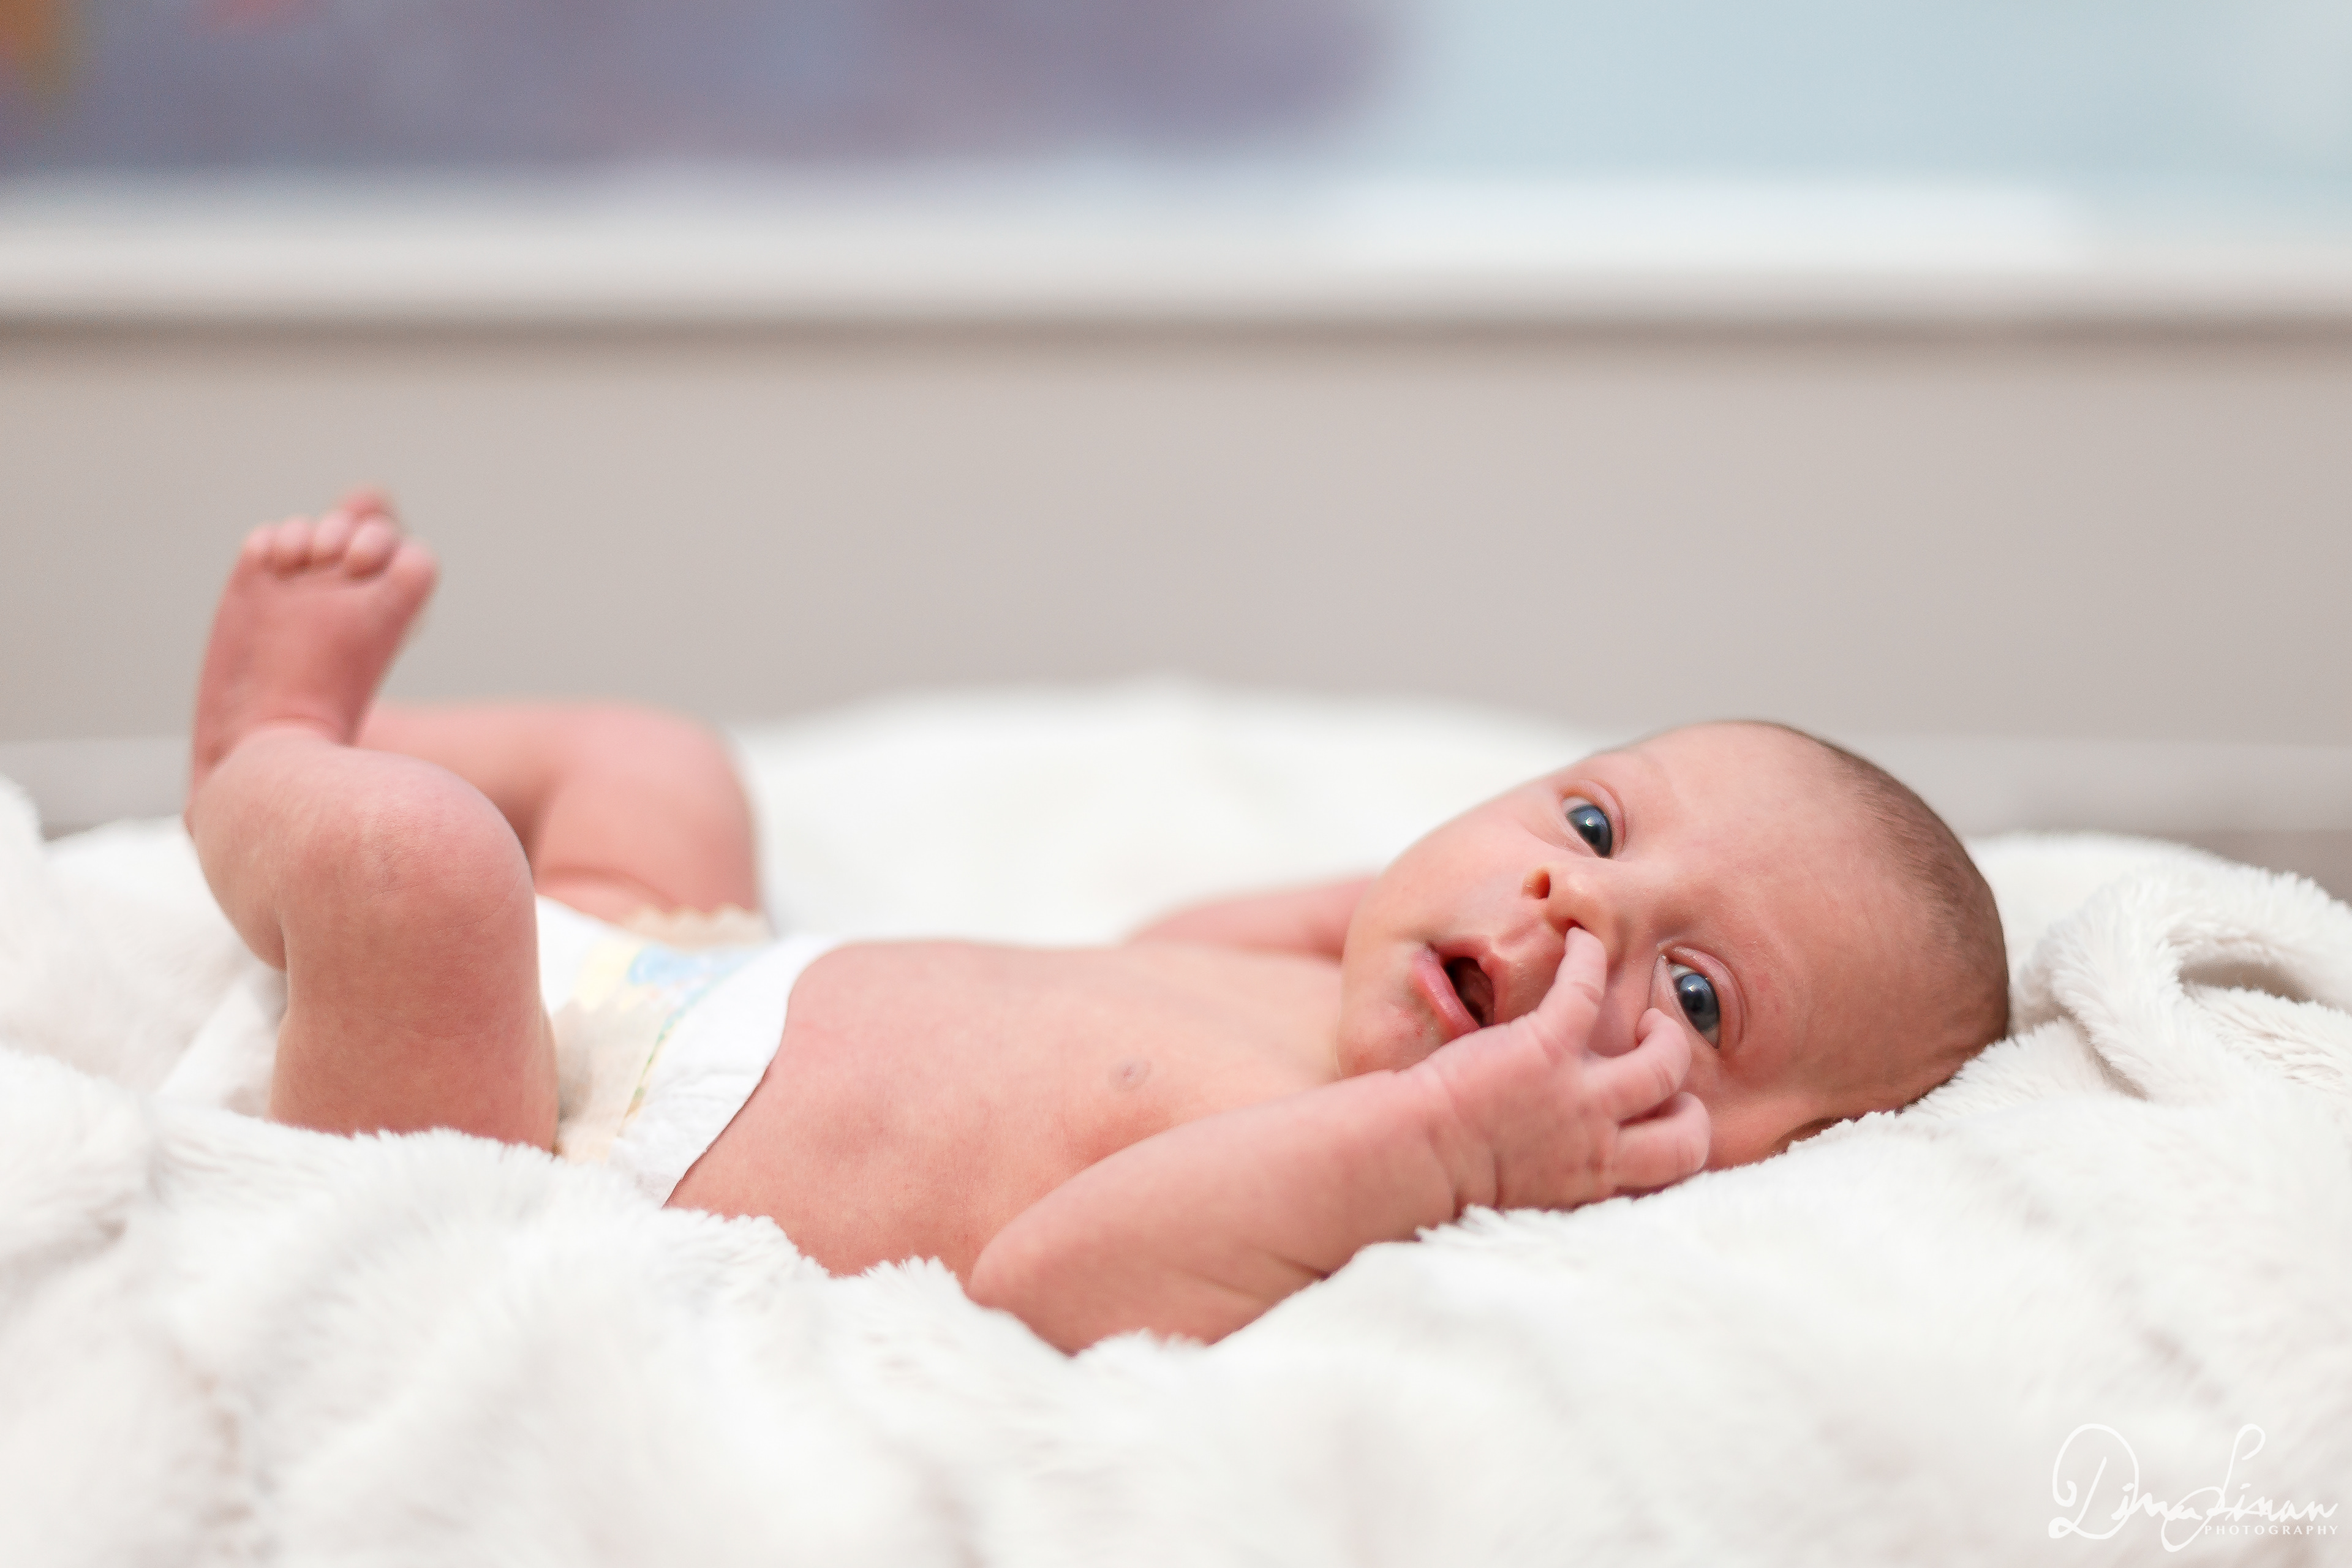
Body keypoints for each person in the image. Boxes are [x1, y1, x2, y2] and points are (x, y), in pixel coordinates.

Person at [184, 492, 2009, 1352]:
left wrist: (1452, 1144)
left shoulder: (1377, 1191)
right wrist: (1364, 912)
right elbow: (1152, 955)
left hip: (551, 1152)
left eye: (1698, 993)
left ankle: (267, 765)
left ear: (1779, 1157)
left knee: (423, 870)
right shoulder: (1329, 991)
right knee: (654, 761)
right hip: (695, 976)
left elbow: (1047, 1288)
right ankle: (317, 778)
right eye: (1591, 824)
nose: (1575, 904)